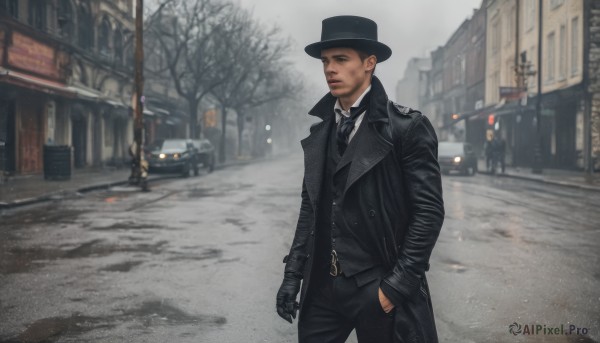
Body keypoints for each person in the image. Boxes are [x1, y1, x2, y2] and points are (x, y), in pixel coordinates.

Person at [275, 16, 445, 343]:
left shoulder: (406, 128)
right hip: (323, 288)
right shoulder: (321, 132)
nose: (329, 69)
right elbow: (311, 208)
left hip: (377, 286)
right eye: (325, 61)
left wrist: (394, 288)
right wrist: (293, 275)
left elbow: (429, 213)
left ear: (370, 63)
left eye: (341, 59)